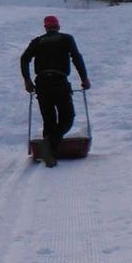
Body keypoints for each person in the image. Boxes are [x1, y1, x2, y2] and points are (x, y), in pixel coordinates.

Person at [20, 15, 91, 167]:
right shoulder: (66, 39)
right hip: (59, 82)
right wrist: (84, 78)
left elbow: (24, 58)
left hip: (42, 84)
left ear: (45, 28)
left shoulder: (37, 41)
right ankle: (48, 148)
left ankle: (49, 154)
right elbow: (77, 58)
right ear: (58, 26)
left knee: (49, 120)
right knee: (67, 117)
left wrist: (27, 80)